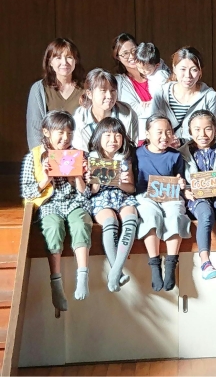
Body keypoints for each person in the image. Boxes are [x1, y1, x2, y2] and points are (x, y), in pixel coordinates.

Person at [21, 111, 91, 310]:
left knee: (81, 223)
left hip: (75, 201)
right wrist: (45, 179)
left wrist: (77, 177)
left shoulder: (79, 155)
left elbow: (87, 194)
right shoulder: (34, 156)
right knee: (52, 227)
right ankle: (56, 283)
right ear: (46, 132)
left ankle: (83, 276)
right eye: (60, 132)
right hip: (49, 203)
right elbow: (27, 192)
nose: (65, 137)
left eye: (69, 133)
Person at [180, 110, 216, 281]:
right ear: (190, 131)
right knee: (205, 215)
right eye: (197, 129)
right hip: (197, 197)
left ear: (215, 129)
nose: (203, 134)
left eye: (208, 129)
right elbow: (179, 179)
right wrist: (185, 191)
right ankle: (205, 263)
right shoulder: (182, 153)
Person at [134, 116, 189, 292]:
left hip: (170, 194)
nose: (164, 137)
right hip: (145, 195)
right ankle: (154, 264)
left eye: (168, 132)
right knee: (150, 215)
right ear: (147, 134)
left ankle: (171, 264)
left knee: (175, 214)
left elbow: (180, 180)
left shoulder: (175, 156)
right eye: (159, 132)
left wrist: (181, 184)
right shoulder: (136, 154)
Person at [86, 117, 139, 292]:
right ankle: (118, 272)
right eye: (107, 135)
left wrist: (120, 183)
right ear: (98, 137)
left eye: (117, 135)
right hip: (101, 197)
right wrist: (95, 181)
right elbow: (92, 191)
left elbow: (131, 188)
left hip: (122, 195)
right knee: (110, 221)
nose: (113, 140)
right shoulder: (91, 158)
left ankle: (115, 271)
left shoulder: (125, 159)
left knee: (131, 219)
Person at [150, 47, 216, 144]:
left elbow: (210, 132)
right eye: (183, 69)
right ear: (174, 68)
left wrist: (182, 142)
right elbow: (153, 126)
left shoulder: (210, 97)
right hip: (166, 149)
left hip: (195, 151)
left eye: (194, 70)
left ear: (200, 71)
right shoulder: (161, 94)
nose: (188, 75)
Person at [26, 39, 85, 151]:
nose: (64, 62)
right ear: (50, 62)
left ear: (76, 60)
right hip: (49, 154)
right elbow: (34, 131)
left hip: (80, 153)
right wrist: (42, 157)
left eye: (69, 57)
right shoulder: (39, 89)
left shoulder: (86, 88)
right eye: (58, 58)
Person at [71, 69, 138, 152]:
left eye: (113, 90)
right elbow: (82, 153)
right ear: (89, 94)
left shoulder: (128, 113)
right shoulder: (79, 119)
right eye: (103, 91)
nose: (109, 96)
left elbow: (130, 148)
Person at [129, 42, 172, 144]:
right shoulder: (154, 64)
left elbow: (164, 98)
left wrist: (152, 101)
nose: (143, 71)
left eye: (147, 69)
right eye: (139, 68)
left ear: (157, 65)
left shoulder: (160, 76)